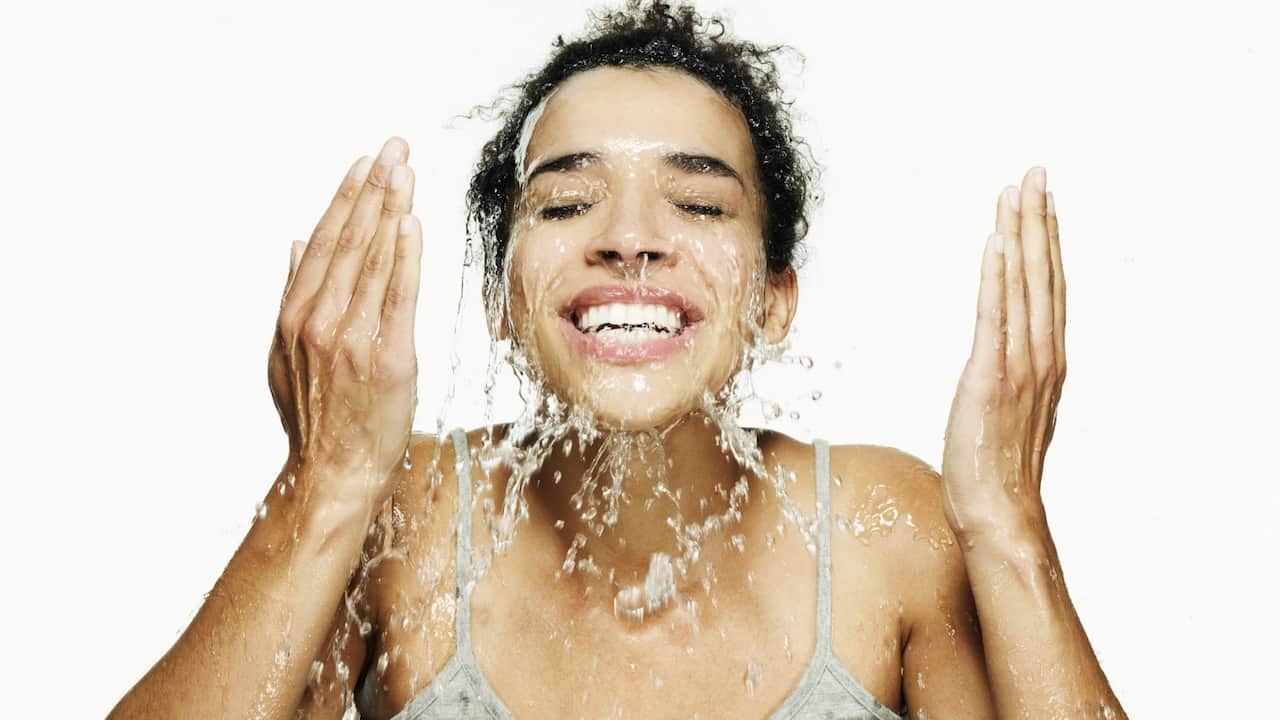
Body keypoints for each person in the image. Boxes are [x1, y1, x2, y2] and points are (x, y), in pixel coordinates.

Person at [110, 2, 1127, 718]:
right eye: (563, 203)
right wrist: (321, 488)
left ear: (774, 300)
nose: (631, 236)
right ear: (499, 303)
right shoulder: (404, 518)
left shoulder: (883, 535)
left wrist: (1007, 532)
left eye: (696, 203)